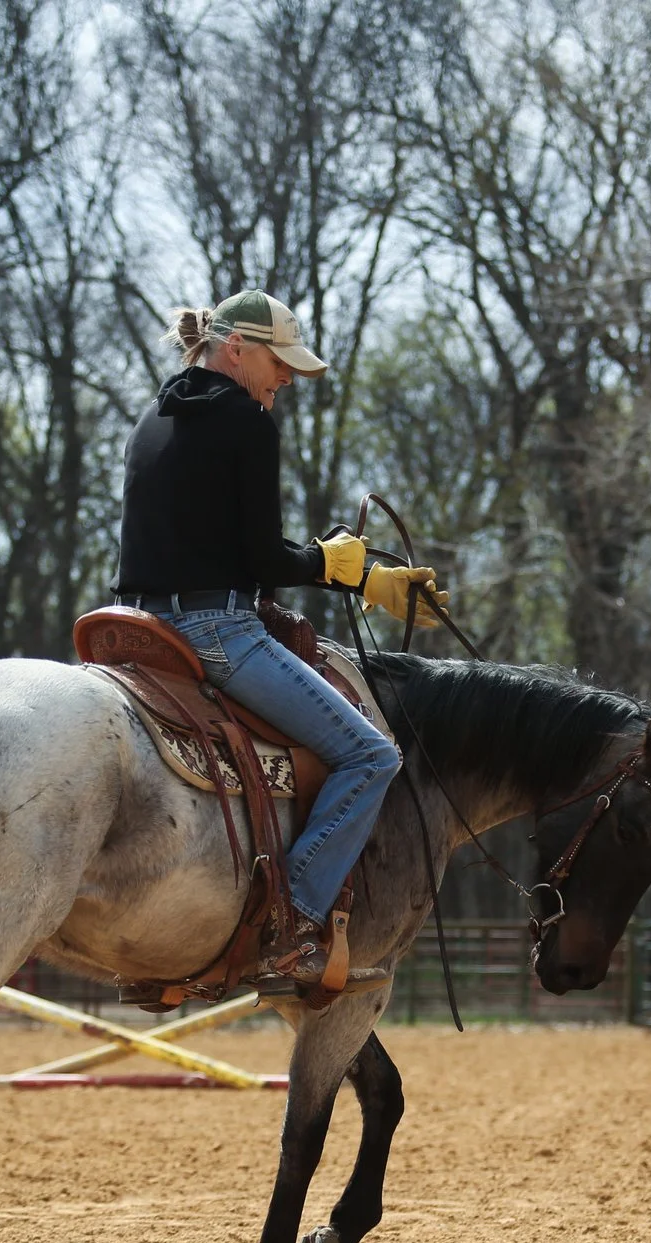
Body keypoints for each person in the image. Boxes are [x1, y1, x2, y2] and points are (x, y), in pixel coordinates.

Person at [114, 289, 442, 985]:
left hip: (131, 627)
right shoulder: (247, 424)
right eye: (280, 364)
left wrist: (354, 574)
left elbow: (228, 550)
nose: (286, 379)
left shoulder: (153, 416)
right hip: (212, 631)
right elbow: (263, 560)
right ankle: (289, 923)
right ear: (237, 349)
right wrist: (335, 564)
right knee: (371, 754)